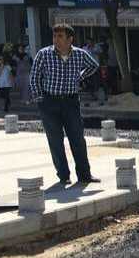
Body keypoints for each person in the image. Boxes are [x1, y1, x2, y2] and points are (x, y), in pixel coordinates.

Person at [29, 24, 100, 184]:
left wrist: (79, 77)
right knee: (55, 140)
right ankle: (63, 175)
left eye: (60, 37)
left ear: (70, 39)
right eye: (54, 37)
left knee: (77, 139)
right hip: (49, 102)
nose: (56, 40)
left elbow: (94, 66)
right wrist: (40, 98)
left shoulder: (80, 54)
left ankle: (84, 175)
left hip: (71, 101)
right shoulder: (44, 54)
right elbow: (34, 76)